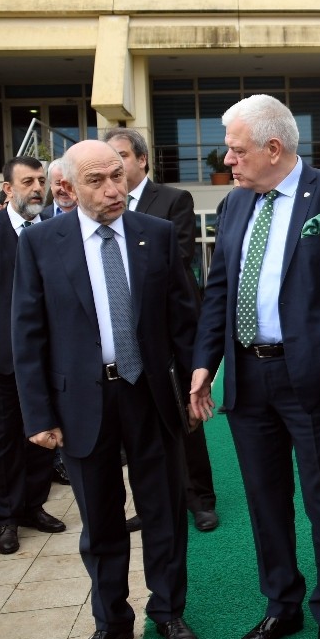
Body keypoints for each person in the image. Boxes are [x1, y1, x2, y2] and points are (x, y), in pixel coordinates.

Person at [189, 94, 320, 639]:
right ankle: (282, 605)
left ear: (275, 148)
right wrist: (206, 363)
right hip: (247, 378)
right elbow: (218, 290)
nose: (227, 159)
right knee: (265, 500)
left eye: (237, 148)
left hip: (311, 379)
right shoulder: (233, 204)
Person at [11, 140, 199, 639]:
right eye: (98, 181)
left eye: (118, 175)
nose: (114, 189)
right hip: (82, 405)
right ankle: (111, 621)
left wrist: (192, 386)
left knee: (164, 512)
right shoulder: (42, 243)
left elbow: (183, 319)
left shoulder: (155, 235)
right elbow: (29, 335)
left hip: (151, 397)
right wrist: (39, 415)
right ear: (67, 187)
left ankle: (169, 612)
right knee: (101, 522)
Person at [105, 126, 219, 534]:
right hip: (122, 337)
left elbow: (181, 256)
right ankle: (152, 502)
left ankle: (200, 499)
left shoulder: (173, 200)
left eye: (120, 157)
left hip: (168, 332)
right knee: (137, 427)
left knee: (185, 419)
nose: (113, 168)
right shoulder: (101, 208)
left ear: (141, 160)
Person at [0, 156, 63, 555]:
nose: (37, 188)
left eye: (41, 180)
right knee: (2, 442)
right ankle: (5, 519)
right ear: (8, 189)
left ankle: (32, 507)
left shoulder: (56, 231)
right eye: (28, 182)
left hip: (49, 360)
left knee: (41, 436)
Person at [39, 157, 78, 487]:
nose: (64, 190)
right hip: (60, 364)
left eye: (69, 182)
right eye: (57, 184)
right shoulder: (36, 235)